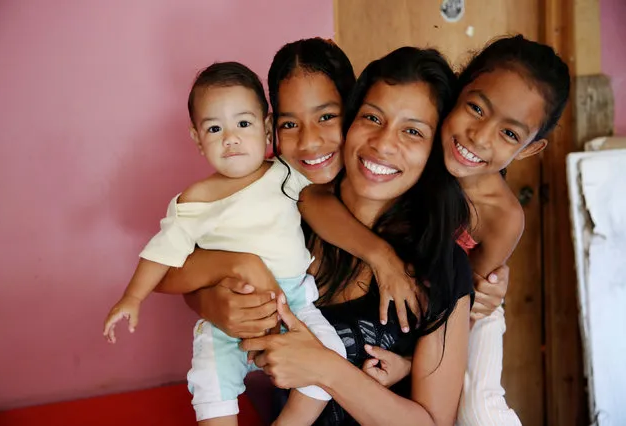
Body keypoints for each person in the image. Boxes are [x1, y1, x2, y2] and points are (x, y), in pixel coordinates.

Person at [161, 44, 474, 425]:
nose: (384, 143)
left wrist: (325, 369)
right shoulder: (283, 220)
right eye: (373, 119)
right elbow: (180, 270)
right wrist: (210, 301)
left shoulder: (439, 263)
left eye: (412, 131)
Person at [299, 35, 571, 426]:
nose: (478, 136)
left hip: (469, 315)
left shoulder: (501, 215)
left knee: (481, 411)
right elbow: (313, 198)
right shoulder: (424, 153)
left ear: (529, 148)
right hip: (421, 293)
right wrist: (382, 257)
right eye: (476, 109)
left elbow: (469, 301)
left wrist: (411, 365)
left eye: (509, 134)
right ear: (456, 99)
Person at [101, 61, 346, 425]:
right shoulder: (196, 200)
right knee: (211, 390)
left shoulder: (285, 173)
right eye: (214, 128)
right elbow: (163, 251)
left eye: (243, 124)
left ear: (266, 128)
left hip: (293, 302)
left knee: (332, 358)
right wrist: (132, 297)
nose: (230, 138)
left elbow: (326, 202)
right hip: (226, 319)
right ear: (198, 139)